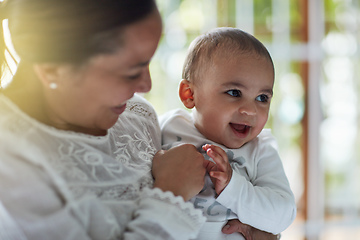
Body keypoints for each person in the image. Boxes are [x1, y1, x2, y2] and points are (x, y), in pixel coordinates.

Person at [0, 0, 209, 239]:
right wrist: (172, 193)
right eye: (131, 72)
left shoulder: (137, 114)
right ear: (52, 70)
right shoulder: (10, 165)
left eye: (148, 62)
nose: (146, 85)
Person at [160, 27, 297, 240]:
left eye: (262, 98)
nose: (250, 110)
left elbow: (283, 214)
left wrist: (233, 187)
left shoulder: (261, 151)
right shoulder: (168, 127)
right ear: (190, 94)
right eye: (234, 93)